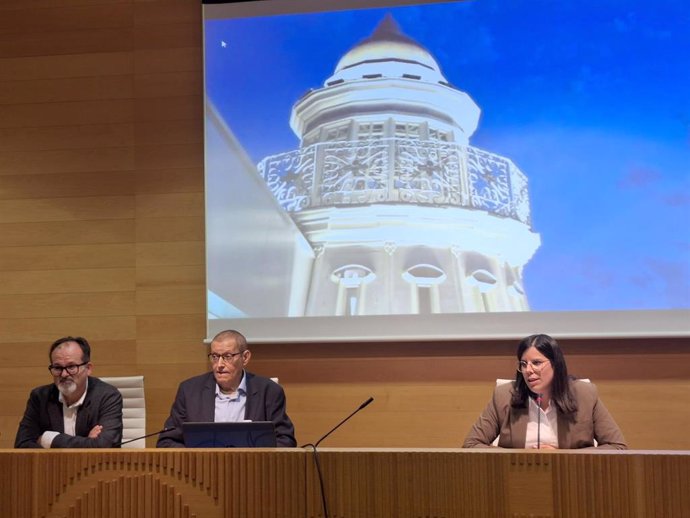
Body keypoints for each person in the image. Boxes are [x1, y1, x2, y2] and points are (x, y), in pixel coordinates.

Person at [463, 333, 627, 449]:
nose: (529, 370)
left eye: (536, 362)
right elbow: (471, 445)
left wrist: (560, 457)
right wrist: (520, 457)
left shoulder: (585, 394)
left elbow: (617, 447)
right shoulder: (504, 396)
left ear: (555, 364)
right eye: (524, 364)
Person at [157, 329, 296, 447]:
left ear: (245, 358)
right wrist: (196, 459)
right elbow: (167, 440)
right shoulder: (189, 391)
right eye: (215, 357)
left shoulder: (269, 391)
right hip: (202, 471)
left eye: (227, 356)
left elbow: (285, 440)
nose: (219, 365)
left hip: (253, 471)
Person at [15, 336, 123, 448]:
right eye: (57, 368)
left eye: (71, 367)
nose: (64, 374)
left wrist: (50, 439)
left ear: (88, 368)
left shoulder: (107, 396)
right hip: (52, 466)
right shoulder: (40, 397)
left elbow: (105, 446)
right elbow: (22, 445)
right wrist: (87, 442)